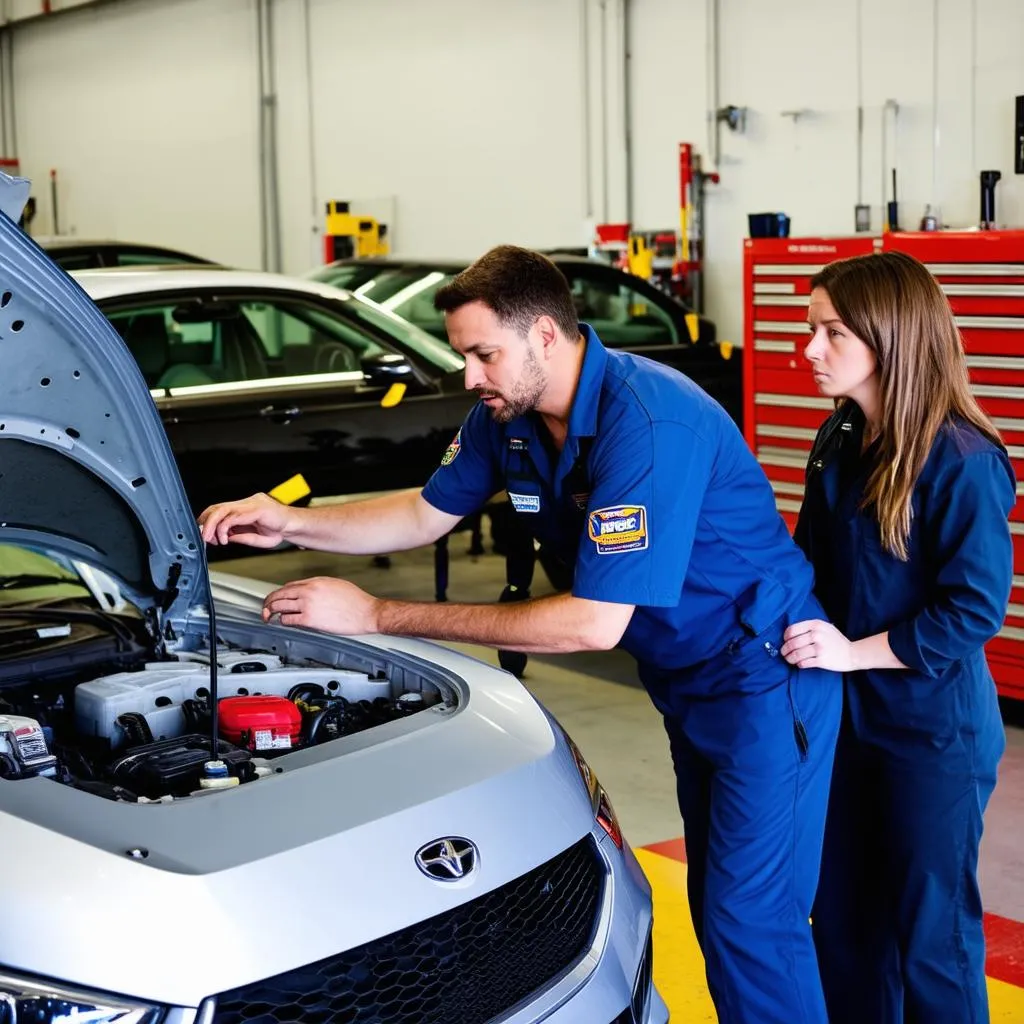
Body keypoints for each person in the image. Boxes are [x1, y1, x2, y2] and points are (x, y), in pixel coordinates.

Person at [199, 245, 842, 1024]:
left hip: (766, 680)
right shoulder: (506, 418)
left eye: (483, 354)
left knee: (753, 925)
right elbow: (423, 513)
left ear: (544, 335)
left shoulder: (649, 421)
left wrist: (376, 614)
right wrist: (288, 519)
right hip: (687, 684)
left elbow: (590, 622)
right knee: (721, 908)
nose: (469, 375)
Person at [779, 250, 1015, 1024]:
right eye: (810, 328)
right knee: (847, 930)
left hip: (930, 735)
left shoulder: (962, 459)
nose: (808, 349)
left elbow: (973, 608)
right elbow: (809, 563)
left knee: (931, 941)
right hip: (845, 724)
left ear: (891, 336)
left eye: (830, 332)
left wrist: (852, 652)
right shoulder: (838, 438)